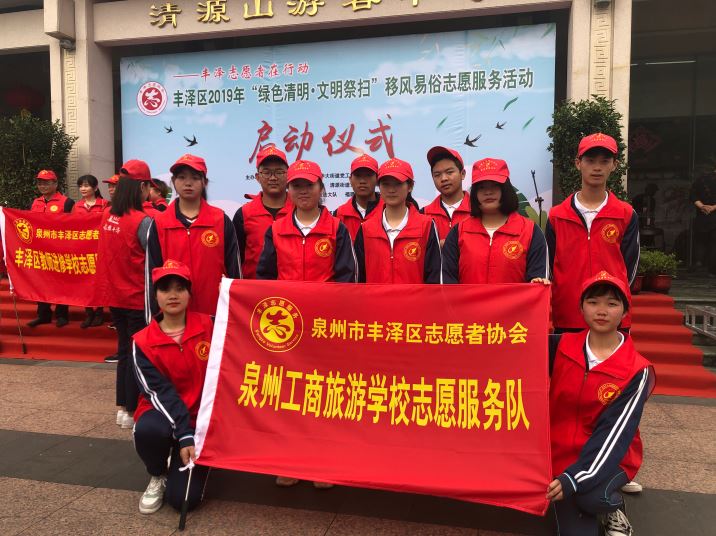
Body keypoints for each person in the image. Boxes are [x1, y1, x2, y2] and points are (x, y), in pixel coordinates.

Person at [547, 271, 654, 536]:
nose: (602, 310)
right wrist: (529, 291)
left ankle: (613, 509)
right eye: (593, 302)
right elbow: (513, 343)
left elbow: (614, 436)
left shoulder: (637, 370)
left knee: (592, 497)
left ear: (625, 312)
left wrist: (574, 477)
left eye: (612, 303)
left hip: (611, 457)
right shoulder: (560, 346)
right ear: (581, 308)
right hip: (558, 451)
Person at [132, 260, 212, 515]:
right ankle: (157, 473)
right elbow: (159, 393)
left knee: (183, 501)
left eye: (180, 288)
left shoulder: (211, 326)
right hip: (163, 414)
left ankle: (196, 457)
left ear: (190, 294)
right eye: (165, 289)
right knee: (148, 430)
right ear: (155, 296)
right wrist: (184, 433)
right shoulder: (142, 342)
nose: (173, 295)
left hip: (201, 418)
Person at [546, 133, 639, 333]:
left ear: (614, 165)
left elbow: (629, 266)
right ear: (578, 163)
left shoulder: (625, 214)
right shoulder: (557, 216)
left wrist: (616, 301)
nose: (597, 167)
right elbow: (550, 266)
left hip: (612, 316)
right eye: (590, 160)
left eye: (604, 161)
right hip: (568, 313)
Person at [94, 159, 154, 426]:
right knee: (136, 354)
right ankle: (132, 408)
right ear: (142, 187)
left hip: (115, 296)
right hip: (137, 298)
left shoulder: (108, 214)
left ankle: (122, 408)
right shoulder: (143, 221)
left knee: (123, 352)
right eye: (148, 186)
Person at [147, 154, 241, 317]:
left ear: (205, 182)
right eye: (182, 177)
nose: (188, 183)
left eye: (195, 178)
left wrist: (235, 314)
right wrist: (154, 318)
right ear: (173, 181)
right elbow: (151, 274)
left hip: (214, 312)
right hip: (173, 317)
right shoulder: (160, 223)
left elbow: (235, 273)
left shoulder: (220, 220)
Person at [442, 158, 549, 284]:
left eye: (495, 186)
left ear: (506, 189)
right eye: (481, 187)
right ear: (475, 193)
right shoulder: (459, 232)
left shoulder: (530, 231)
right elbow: (448, 283)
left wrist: (537, 282)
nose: (488, 192)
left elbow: (538, 278)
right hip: (465, 299)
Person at [256, 159, 356, 283]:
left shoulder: (337, 228)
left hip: (326, 296)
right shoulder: (276, 230)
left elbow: (347, 277)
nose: (303, 191)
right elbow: (265, 277)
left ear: (321, 188)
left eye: (309, 185)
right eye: (296, 186)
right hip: (286, 296)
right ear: (288, 189)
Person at [354, 157, 441, 283]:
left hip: (415, 297)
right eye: (386, 184)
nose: (391, 190)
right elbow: (359, 278)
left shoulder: (426, 225)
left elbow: (434, 277)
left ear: (410, 186)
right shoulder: (366, 228)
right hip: (375, 297)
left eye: (398, 183)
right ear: (379, 186)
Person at [232, 145, 293, 279]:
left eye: (279, 172)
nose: (273, 178)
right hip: (254, 289)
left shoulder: (299, 210)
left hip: (291, 287)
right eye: (266, 172)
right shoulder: (244, 214)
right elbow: (235, 258)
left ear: (288, 175)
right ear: (257, 177)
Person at [27, 169, 75, 328]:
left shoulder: (67, 202)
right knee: (40, 283)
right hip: (39, 251)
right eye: (40, 183)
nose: (43, 186)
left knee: (60, 283)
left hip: (59, 250)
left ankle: (62, 315)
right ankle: (43, 314)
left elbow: (73, 226)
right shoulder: (34, 202)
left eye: (46, 183)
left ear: (56, 184)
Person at [73, 174, 109, 328]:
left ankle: (99, 312)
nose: (83, 188)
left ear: (95, 188)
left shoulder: (105, 204)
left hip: (99, 249)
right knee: (84, 282)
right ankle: (88, 313)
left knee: (99, 281)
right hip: (82, 249)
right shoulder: (77, 206)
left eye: (86, 185)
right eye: (81, 186)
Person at [421, 146, 471, 245]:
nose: (444, 178)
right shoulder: (423, 215)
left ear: (463, 174)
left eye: (449, 172)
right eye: (437, 175)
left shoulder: (478, 211)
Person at [333, 154, 383, 241]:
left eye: (368, 175)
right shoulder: (340, 214)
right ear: (350, 180)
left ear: (377, 179)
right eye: (358, 176)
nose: (362, 181)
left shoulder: (388, 210)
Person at [689, 170, 716, 277]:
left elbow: (692, 195)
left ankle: (698, 262)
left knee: (700, 241)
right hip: (714, 216)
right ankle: (712, 271)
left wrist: (702, 206)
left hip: (701, 216)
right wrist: (713, 207)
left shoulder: (700, 179)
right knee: (714, 244)